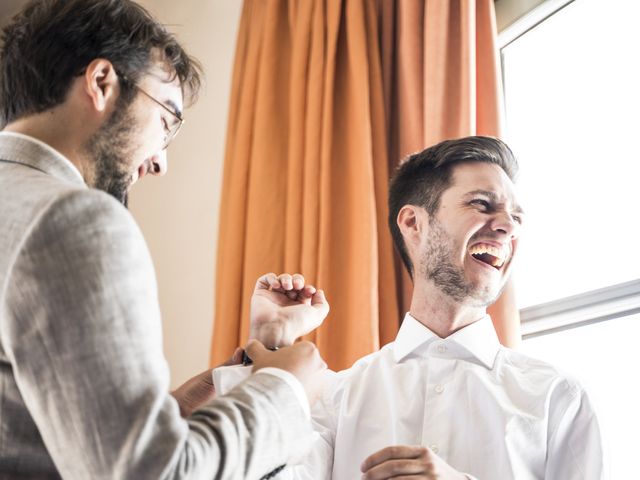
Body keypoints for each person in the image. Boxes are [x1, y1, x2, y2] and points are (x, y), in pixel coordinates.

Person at [0, 0, 330, 478]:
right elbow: (150, 473)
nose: (160, 162)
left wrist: (170, 410)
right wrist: (284, 388)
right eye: (166, 119)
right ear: (101, 83)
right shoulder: (73, 219)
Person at [216, 136, 605, 479]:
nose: (508, 226)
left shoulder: (559, 398)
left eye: (517, 217)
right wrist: (267, 341)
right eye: (483, 204)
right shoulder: (337, 398)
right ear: (413, 223)